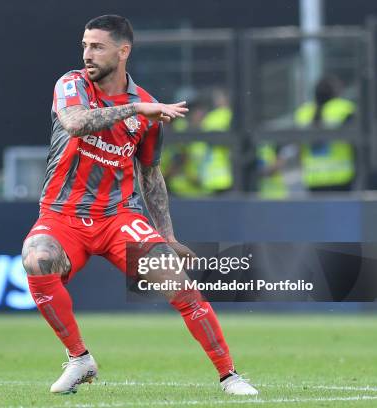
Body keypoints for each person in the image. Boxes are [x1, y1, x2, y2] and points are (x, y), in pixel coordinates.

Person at [21, 15, 257, 396]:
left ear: (123, 51)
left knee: (179, 284)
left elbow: (150, 174)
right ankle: (79, 358)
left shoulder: (147, 107)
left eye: (97, 46)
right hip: (62, 215)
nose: (87, 54)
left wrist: (168, 235)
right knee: (37, 259)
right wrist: (134, 110)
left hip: (117, 218)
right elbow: (75, 122)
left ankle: (230, 376)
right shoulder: (72, 85)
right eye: (85, 45)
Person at [294, 75, 355, 191]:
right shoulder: (344, 108)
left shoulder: (302, 113)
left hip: (313, 178)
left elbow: (298, 147)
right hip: (341, 178)